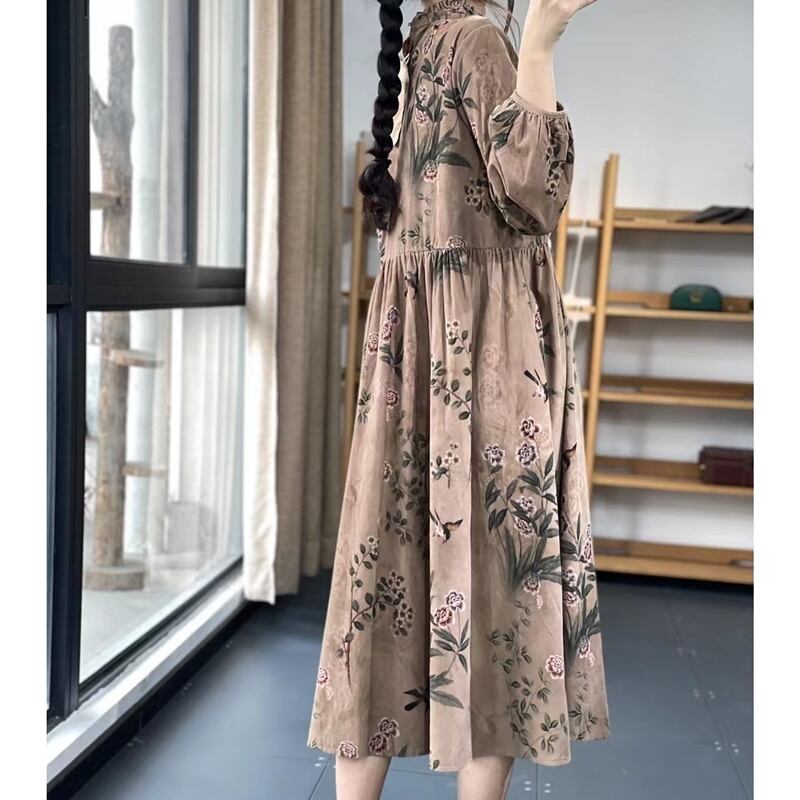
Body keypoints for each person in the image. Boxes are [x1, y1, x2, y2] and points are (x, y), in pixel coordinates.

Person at [308, 2, 610, 797]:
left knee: (387, 583)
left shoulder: (423, 43)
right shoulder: (479, 43)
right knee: (500, 591)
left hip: (421, 362)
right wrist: (539, 44)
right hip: (487, 362)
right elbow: (535, 194)